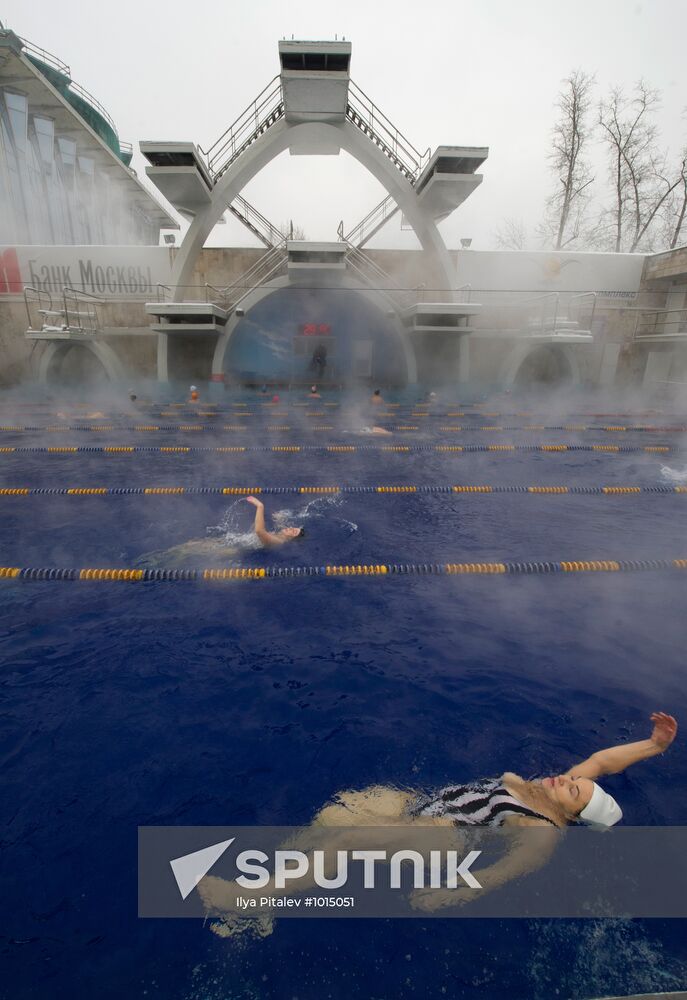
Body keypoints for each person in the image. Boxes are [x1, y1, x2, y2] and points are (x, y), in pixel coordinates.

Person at [198, 712, 677, 921]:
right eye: (574, 780)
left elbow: (501, 875)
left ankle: (248, 899)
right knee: (334, 813)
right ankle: (282, 884)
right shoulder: (551, 791)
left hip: (447, 836)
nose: (567, 780)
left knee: (344, 843)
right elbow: (601, 761)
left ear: (573, 816)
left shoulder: (543, 831)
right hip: (426, 805)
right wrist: (654, 746)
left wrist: (450, 896)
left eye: (574, 790)